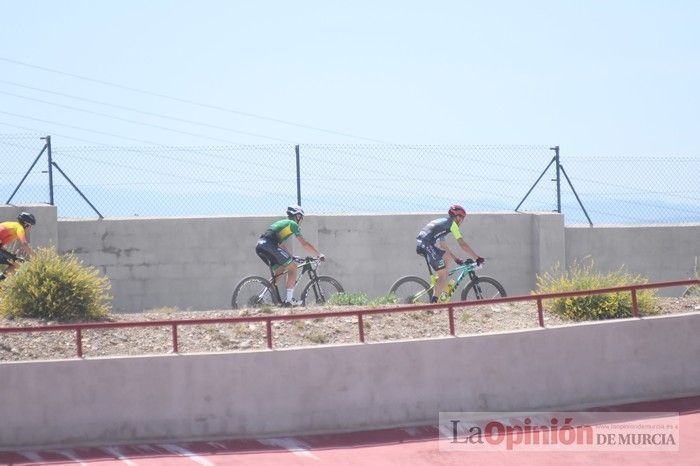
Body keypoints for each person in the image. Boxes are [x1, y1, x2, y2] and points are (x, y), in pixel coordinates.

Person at [255, 205, 325, 306]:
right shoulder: (292, 224)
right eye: (300, 216)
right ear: (296, 216)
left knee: (280, 270)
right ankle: (289, 300)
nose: (301, 219)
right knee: (293, 267)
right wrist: (318, 254)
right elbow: (304, 243)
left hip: (261, 246)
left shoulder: (283, 224)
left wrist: (291, 257)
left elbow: (281, 246)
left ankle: (263, 297)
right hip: (269, 246)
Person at [416, 204, 484, 303]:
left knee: (447, 257)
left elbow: (442, 244)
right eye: (461, 217)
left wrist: (455, 258)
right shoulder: (452, 225)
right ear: (457, 216)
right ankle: (433, 303)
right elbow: (462, 244)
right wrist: (477, 258)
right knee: (443, 275)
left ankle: (439, 285)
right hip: (426, 244)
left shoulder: (443, 222)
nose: (462, 220)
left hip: (424, 243)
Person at [0, 212, 35, 280]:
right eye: (31, 226)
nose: (30, 228)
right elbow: (24, 244)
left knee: (16, 260)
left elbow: (1, 247)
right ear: (26, 224)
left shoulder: (13, 226)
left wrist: (10, 255)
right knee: (19, 262)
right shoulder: (20, 228)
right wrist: (35, 257)